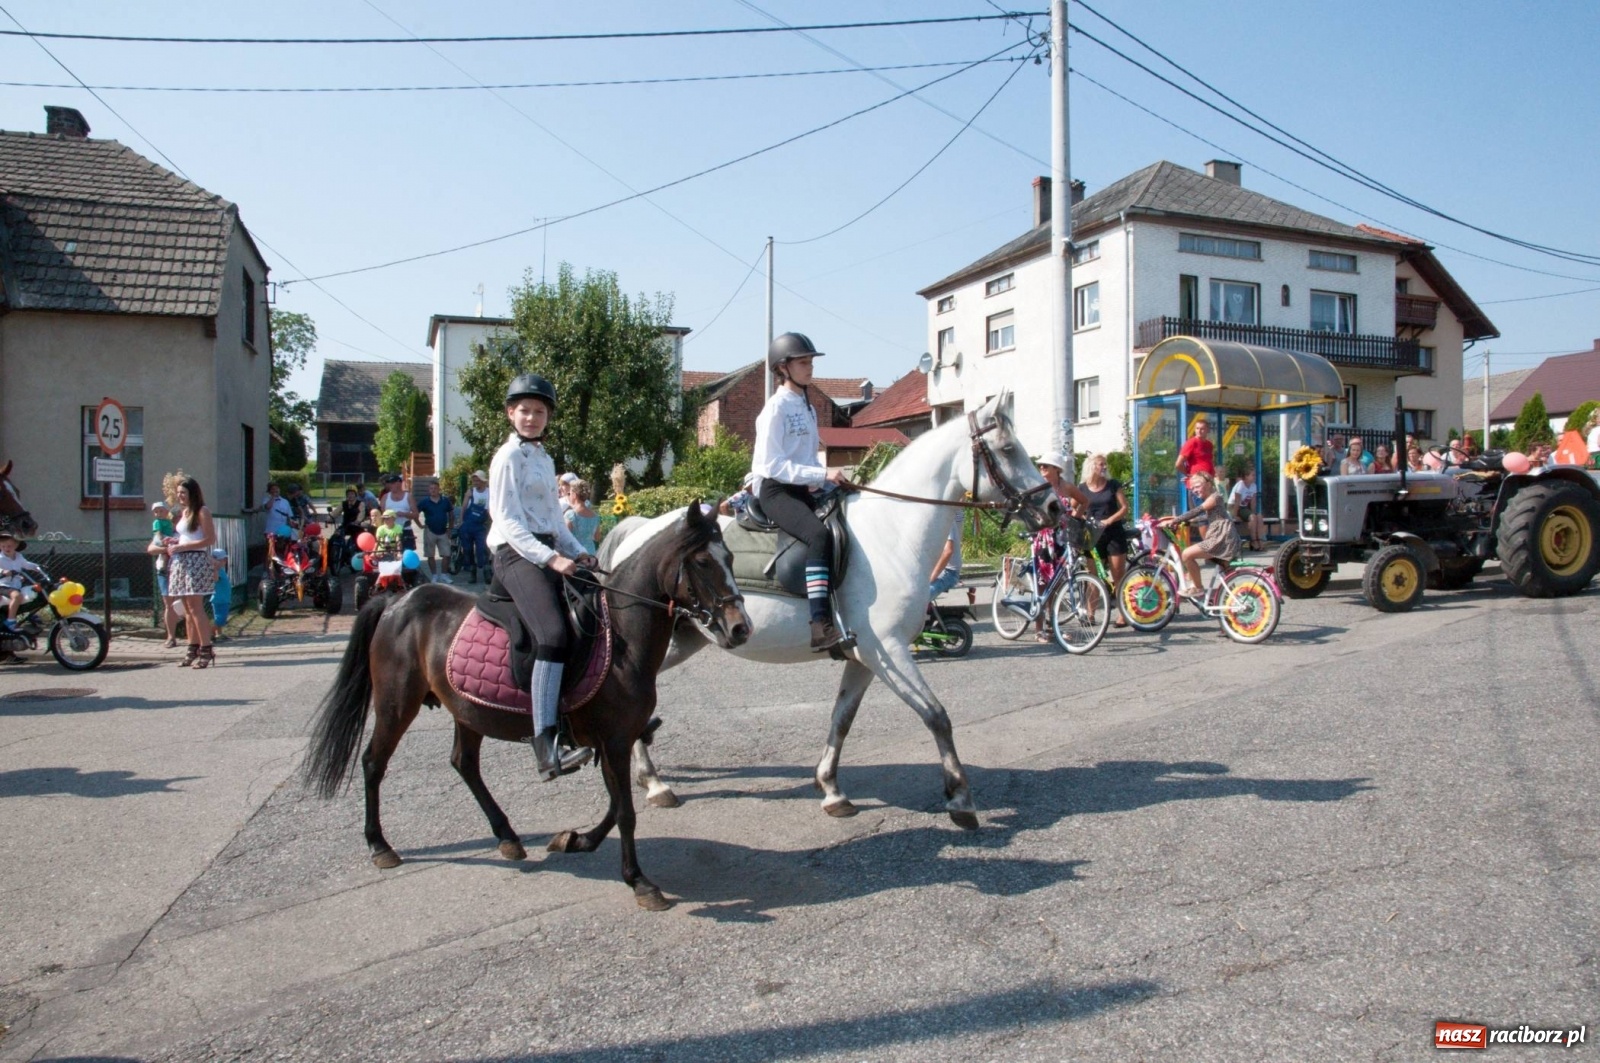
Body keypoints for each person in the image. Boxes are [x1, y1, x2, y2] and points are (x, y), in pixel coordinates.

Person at [488, 373, 597, 781]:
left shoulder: (545, 459)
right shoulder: (507, 458)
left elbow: (554, 520)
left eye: (539, 411)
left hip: (547, 548)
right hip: (514, 554)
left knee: (598, 608)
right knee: (552, 633)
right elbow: (508, 520)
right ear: (510, 414)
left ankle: (592, 713)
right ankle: (545, 744)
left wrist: (581, 553)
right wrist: (551, 560)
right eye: (524, 411)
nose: (532, 417)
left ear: (548, 416)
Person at [751, 332, 850, 651]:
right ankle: (820, 625)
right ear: (783, 368)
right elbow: (772, 465)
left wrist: (829, 481)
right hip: (777, 492)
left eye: (810, 362)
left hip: (804, 489)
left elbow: (805, 460)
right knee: (819, 536)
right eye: (803, 362)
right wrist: (822, 472)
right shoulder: (775, 409)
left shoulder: (807, 406)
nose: (810, 368)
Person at [1032, 454, 1091, 641]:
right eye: (1040, 466)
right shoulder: (1038, 487)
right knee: (1041, 584)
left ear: (1057, 469)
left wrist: (1075, 519)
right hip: (1044, 539)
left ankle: (1054, 626)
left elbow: (1084, 501)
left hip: (1060, 539)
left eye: (1046, 466)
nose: (1042, 469)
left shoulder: (1065, 487)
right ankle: (1039, 629)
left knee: (1056, 585)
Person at [1159, 471, 1240, 599]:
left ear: (1208, 484)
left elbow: (1198, 510)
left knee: (1186, 554)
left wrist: (1175, 520)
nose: (1195, 490)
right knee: (1228, 577)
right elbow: (1204, 516)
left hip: (1222, 538)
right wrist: (1186, 520)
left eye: (1197, 486)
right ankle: (1234, 601)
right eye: (1192, 489)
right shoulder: (1211, 499)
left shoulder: (1215, 497)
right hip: (1224, 537)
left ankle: (1198, 588)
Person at [166, 477, 217, 668]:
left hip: (195, 560)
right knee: (187, 609)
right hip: (182, 560)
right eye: (178, 492)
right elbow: (185, 536)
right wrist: (174, 542)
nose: (180, 496)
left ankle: (206, 648)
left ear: (192, 493)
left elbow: (210, 539)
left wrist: (183, 546)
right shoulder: (184, 512)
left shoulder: (202, 511)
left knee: (196, 607)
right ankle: (192, 647)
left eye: (183, 493)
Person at [1080, 453, 1131, 621]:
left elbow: (1124, 508)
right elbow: (1075, 509)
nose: (1104, 467)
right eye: (1101, 464)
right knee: (1093, 576)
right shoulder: (1083, 488)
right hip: (1094, 535)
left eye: (1105, 464)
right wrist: (1079, 520)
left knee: (1118, 574)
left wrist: (1109, 520)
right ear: (1091, 466)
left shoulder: (1112, 485)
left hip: (1113, 532)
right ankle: (1091, 613)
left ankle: (1122, 614)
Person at [147, 501, 182, 648]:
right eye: (175, 518)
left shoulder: (183, 533)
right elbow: (151, 549)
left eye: (179, 518)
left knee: (185, 604)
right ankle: (171, 636)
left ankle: (193, 634)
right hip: (165, 570)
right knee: (169, 605)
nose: (176, 521)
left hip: (181, 571)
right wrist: (166, 550)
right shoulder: (161, 531)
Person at [0, 531, 45, 633]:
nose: (6, 548)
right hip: (3, 585)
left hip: (16, 585)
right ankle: (10, 621)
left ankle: (30, 615)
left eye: (9, 546)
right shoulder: (0, 558)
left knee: (34, 592)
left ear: (16, 545)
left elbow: (26, 564)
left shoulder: (19, 557)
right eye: (3, 546)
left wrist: (37, 567)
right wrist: (3, 571)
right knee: (17, 596)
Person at [416, 480, 455, 581]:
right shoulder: (425, 502)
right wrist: (419, 525)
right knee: (430, 554)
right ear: (429, 490)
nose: (433, 490)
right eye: (431, 488)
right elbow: (415, 513)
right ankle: (434, 575)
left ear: (439, 489)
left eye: (435, 488)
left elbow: (451, 515)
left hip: (443, 531)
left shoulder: (445, 501)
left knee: (447, 554)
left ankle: (444, 574)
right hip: (430, 530)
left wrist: (450, 528)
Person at [457, 481, 491, 584]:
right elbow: (463, 507)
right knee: (468, 550)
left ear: (483, 481)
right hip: (468, 525)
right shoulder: (470, 492)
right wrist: (461, 521)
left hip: (481, 525)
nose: (476, 482)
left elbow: (491, 509)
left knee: (483, 548)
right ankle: (473, 572)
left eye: (478, 479)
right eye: (474, 479)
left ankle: (486, 571)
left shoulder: (489, 492)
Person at [1227, 467, 1266, 551]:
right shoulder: (1240, 485)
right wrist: (1235, 515)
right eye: (1253, 475)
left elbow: (1253, 502)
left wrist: (1253, 513)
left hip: (1244, 508)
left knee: (1258, 516)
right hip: (1234, 507)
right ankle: (1253, 541)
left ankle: (1260, 540)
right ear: (1246, 476)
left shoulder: (1253, 486)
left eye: (1255, 475)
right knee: (1252, 517)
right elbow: (1237, 501)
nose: (1254, 477)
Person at [563, 479, 602, 557]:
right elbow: (597, 538)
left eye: (569, 493)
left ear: (574, 495)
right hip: (591, 553)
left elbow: (565, 538)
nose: (569, 495)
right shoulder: (595, 516)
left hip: (576, 554)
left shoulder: (571, 514)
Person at [378, 474, 417, 550]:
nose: (390, 485)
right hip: (390, 531)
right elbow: (381, 515)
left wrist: (404, 514)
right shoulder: (385, 497)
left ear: (399, 483)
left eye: (393, 483)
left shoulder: (408, 496)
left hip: (405, 529)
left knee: (407, 555)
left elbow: (416, 514)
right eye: (389, 483)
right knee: (390, 556)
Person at [928, 518, 963, 600]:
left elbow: (948, 552)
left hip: (948, 572)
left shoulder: (944, 520)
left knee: (920, 598)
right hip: (931, 570)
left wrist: (930, 579)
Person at [210, 547, 232, 634]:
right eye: (222, 560)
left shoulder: (221, 570)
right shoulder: (216, 571)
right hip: (220, 599)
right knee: (221, 619)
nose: (225, 561)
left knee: (219, 617)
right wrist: (214, 568)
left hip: (223, 598)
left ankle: (219, 633)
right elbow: (215, 579)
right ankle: (210, 633)